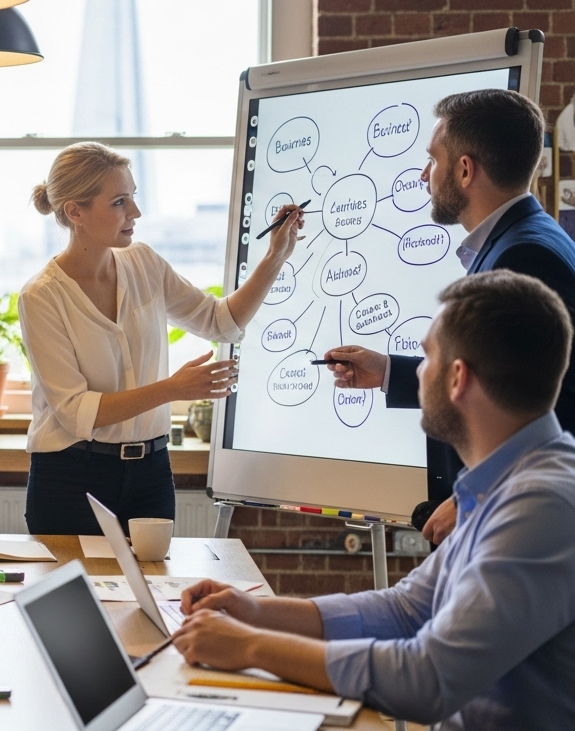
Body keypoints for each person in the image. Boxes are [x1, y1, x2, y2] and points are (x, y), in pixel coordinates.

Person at [176, 270, 575, 729]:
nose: (416, 372)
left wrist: (250, 645)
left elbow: (428, 679)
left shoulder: (542, 506)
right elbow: (406, 610)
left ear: (458, 377)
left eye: (426, 358)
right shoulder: (505, 481)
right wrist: (256, 612)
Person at [325, 89, 575, 544]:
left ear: (464, 169)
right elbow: (496, 380)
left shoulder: (524, 256)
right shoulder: (523, 239)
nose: (424, 174)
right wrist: (388, 372)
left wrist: (474, 498)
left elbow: (558, 405)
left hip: (513, 525)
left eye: (432, 159)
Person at [18, 142, 302, 535]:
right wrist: (171, 389)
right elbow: (76, 412)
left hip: (150, 471)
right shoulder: (41, 296)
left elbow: (220, 321)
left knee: (152, 593)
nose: (135, 212)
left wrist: (275, 258)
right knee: (78, 594)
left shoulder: (144, 263)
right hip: (70, 476)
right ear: (74, 211)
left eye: (133, 197)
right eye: (119, 201)